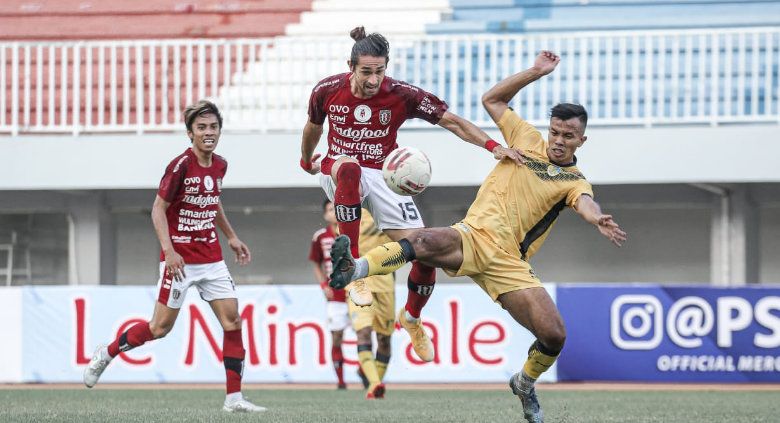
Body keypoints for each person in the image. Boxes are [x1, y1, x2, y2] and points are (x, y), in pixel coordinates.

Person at [329, 51, 627, 423]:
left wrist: (597, 219)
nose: (558, 141)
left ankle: (524, 382)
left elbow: (586, 203)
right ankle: (353, 268)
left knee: (554, 335)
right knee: (422, 243)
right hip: (471, 236)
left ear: (582, 140)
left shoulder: (574, 181)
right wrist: (534, 71)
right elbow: (493, 100)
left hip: (509, 263)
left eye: (568, 136)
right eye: (555, 132)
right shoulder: (525, 136)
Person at [300, 26, 524, 363]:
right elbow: (313, 128)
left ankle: (413, 318)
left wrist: (493, 146)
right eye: (366, 72)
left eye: (379, 71)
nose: (373, 79)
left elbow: (453, 121)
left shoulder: (402, 94)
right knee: (350, 169)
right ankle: (350, 268)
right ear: (351, 66)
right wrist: (306, 161)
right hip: (340, 167)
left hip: (384, 174)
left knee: (426, 249)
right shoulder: (327, 90)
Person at [83, 100, 265, 413]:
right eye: (202, 128)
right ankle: (108, 352)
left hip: (211, 256)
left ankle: (234, 399)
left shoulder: (220, 164)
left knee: (233, 321)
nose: (209, 133)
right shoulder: (180, 165)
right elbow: (158, 209)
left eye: (213, 127)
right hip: (180, 259)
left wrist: (232, 237)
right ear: (190, 134)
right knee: (159, 328)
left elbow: (212, 202)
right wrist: (169, 251)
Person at [349, 210, 396, 400]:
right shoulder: (349, 211)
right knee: (364, 331)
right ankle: (375, 385)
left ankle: (370, 379)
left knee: (384, 339)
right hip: (359, 283)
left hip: (385, 283)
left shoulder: (387, 209)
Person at [308, 200, 349, 390]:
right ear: (325, 214)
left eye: (336, 209)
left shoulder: (354, 232)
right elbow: (315, 262)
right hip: (335, 294)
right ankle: (340, 381)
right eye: (330, 209)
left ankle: (366, 373)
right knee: (337, 336)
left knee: (366, 333)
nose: (334, 212)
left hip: (357, 292)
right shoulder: (320, 236)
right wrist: (323, 284)